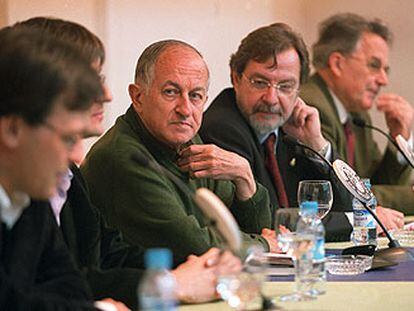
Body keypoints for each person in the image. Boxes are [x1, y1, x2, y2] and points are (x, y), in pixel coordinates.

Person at [17, 17, 242, 310]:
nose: (107, 95)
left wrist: (189, 271)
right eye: (89, 81)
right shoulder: (117, 156)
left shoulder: (67, 172)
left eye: (196, 95)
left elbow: (107, 254)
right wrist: (171, 285)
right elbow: (39, 289)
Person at [81, 40, 280, 267]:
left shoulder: (184, 138)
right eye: (171, 92)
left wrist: (244, 176)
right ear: (138, 97)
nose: (185, 109)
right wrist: (262, 245)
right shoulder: (123, 157)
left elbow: (253, 228)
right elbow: (193, 246)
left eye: (195, 95)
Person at [200, 23, 353, 241]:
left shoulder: (289, 129)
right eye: (260, 82)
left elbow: (345, 202)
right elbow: (271, 222)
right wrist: (353, 221)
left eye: (285, 86)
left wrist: (316, 143)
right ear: (236, 78)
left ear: (299, 89)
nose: (271, 98)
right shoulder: (222, 128)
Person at [0, 27, 103, 309]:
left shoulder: (30, 194)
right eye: (68, 138)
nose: (78, 156)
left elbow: (71, 288)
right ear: (12, 129)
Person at [300, 13, 410, 225]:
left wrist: (399, 142)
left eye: (385, 70)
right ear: (337, 63)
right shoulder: (312, 107)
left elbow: (371, 185)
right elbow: (350, 193)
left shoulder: (357, 114)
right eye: (374, 65)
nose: (383, 80)